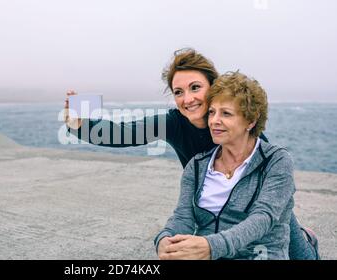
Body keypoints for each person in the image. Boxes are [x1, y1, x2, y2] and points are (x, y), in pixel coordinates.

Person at [63, 48, 319, 259]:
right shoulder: (174, 123)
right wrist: (80, 125)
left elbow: (267, 206)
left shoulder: (247, 133)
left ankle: (308, 239)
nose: (188, 99)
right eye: (178, 92)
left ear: (214, 87)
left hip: (255, 205)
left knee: (294, 246)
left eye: (195, 87)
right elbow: (126, 132)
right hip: (213, 201)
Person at [156, 71, 297, 259]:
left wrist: (212, 246)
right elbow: (183, 217)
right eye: (212, 112)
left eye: (226, 114)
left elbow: (263, 218)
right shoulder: (197, 165)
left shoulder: (276, 161)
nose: (214, 121)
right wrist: (165, 239)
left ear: (250, 120)